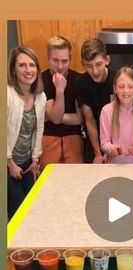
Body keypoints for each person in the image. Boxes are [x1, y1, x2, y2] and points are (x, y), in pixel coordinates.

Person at [7, 46, 46, 220]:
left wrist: (35, 160)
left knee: (31, 211)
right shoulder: (7, 94)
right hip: (8, 164)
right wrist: (10, 163)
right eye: (22, 65)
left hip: (27, 163)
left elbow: (39, 129)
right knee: (17, 213)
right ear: (14, 70)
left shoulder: (40, 96)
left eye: (32, 65)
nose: (28, 70)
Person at [40, 36, 83, 170]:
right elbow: (57, 118)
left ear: (70, 59)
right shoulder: (41, 80)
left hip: (73, 138)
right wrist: (60, 89)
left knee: (76, 181)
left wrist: (50, 116)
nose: (60, 66)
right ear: (48, 57)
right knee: (49, 183)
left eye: (64, 61)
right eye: (55, 60)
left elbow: (79, 118)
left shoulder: (79, 80)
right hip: (48, 138)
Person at [100, 66, 133, 163]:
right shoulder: (106, 111)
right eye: (121, 87)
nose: (125, 91)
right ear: (115, 89)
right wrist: (113, 149)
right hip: (115, 167)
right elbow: (104, 143)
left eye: (130, 86)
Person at [77, 38, 116, 163]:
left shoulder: (118, 79)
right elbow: (89, 120)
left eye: (98, 64)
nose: (94, 71)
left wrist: (110, 149)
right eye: (89, 66)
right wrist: (98, 153)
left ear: (107, 60)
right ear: (83, 64)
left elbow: (121, 117)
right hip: (93, 143)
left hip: (117, 141)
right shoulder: (81, 83)